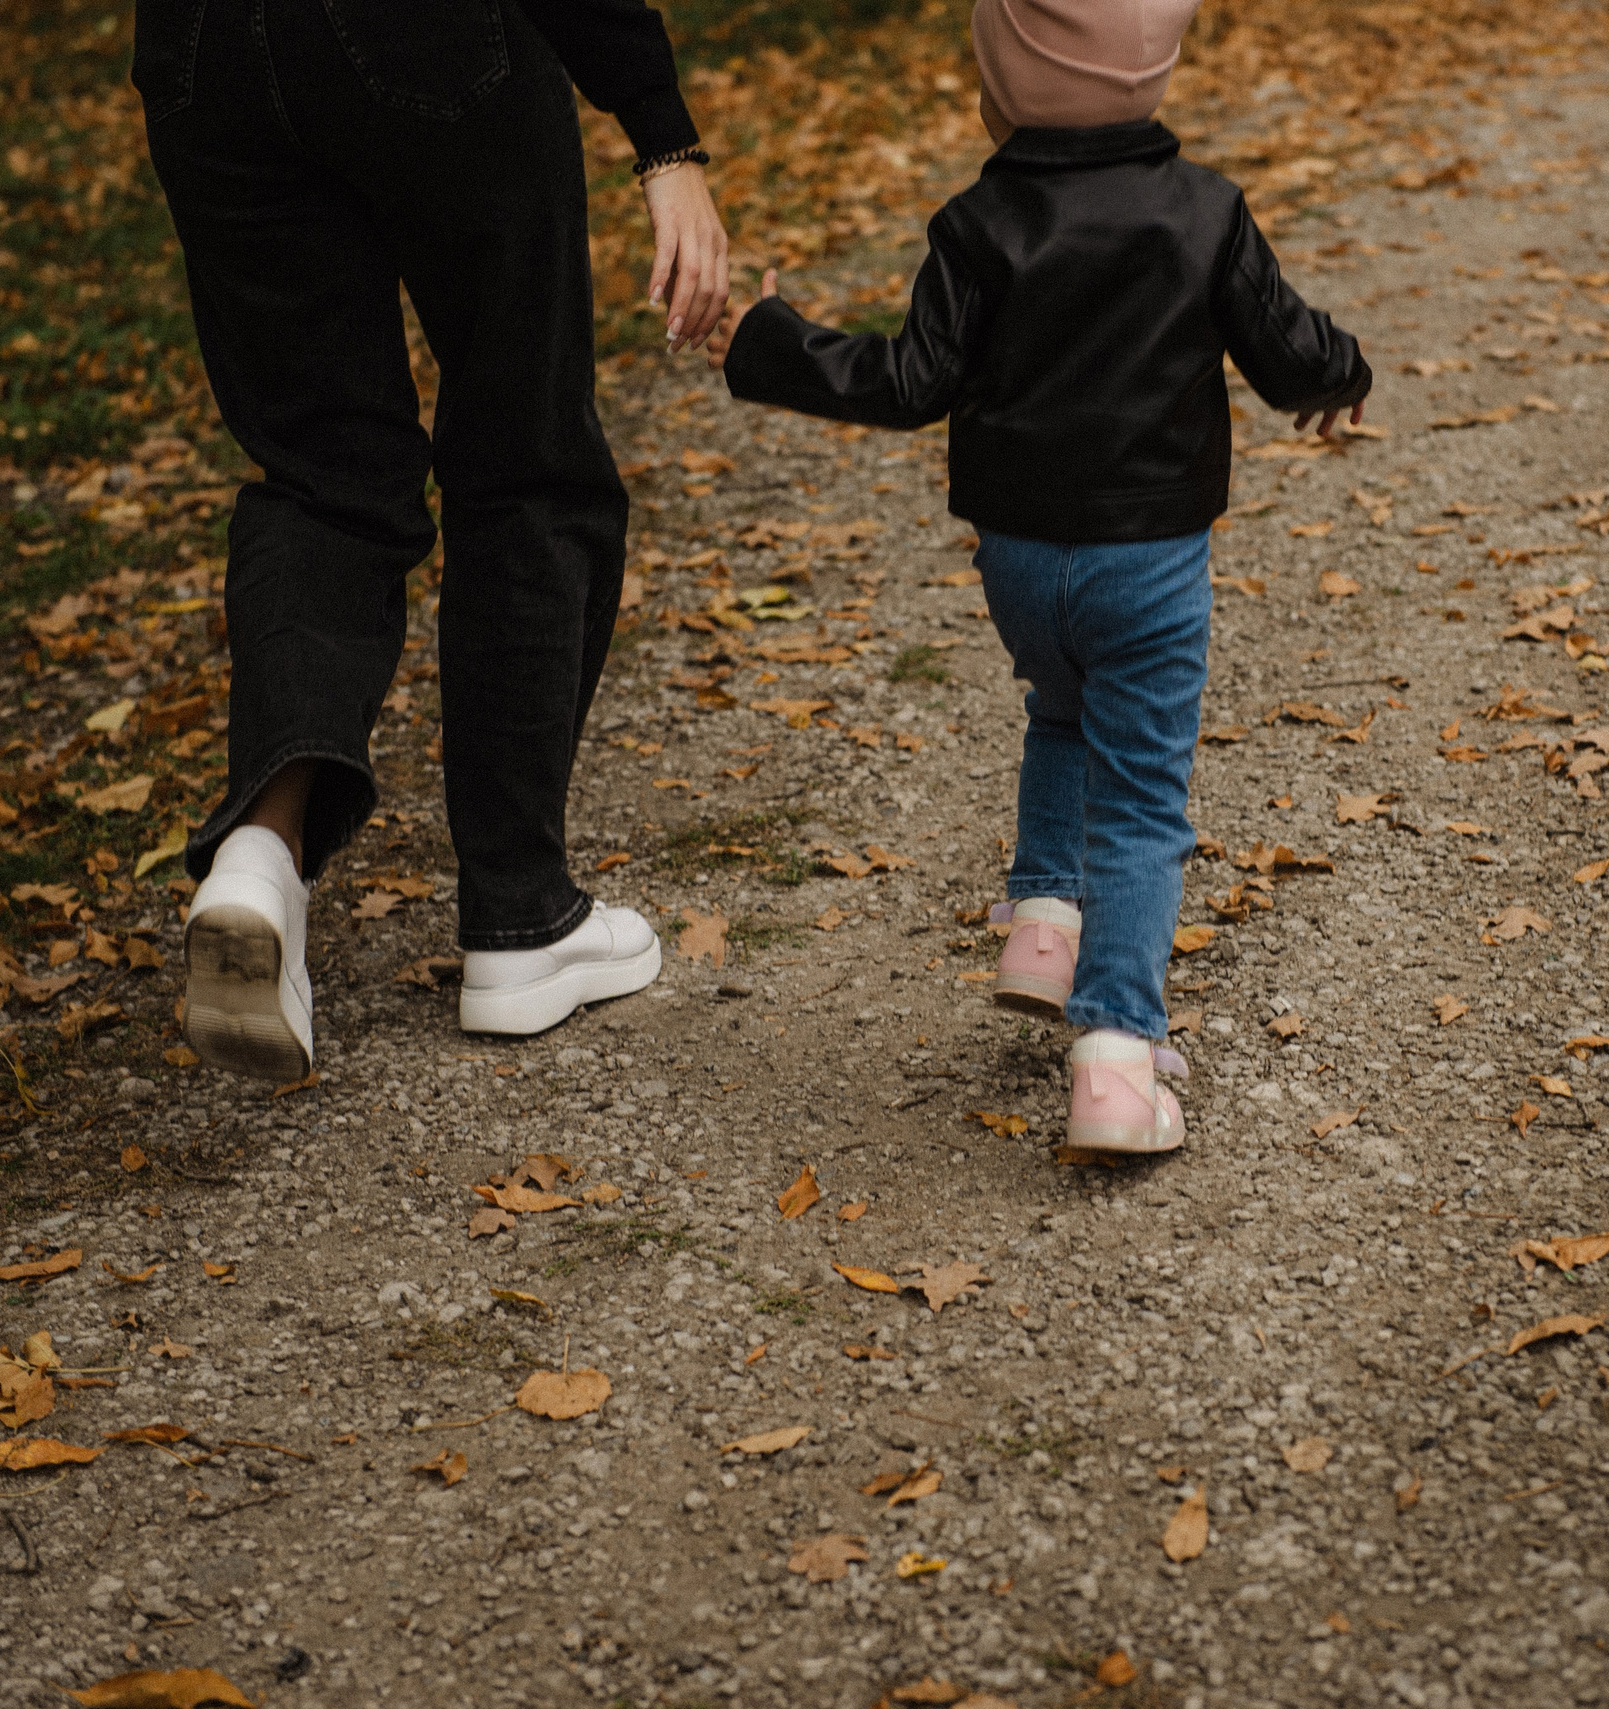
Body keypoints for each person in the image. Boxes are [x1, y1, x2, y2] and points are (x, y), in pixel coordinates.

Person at [705, 0, 1370, 1154]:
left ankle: (1042, 925)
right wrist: (1339, 369)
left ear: (1006, 81)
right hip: (1150, 560)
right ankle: (1116, 1054)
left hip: (1017, 563)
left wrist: (769, 339)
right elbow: (1282, 346)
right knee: (1144, 795)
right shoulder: (1203, 212)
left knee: (1059, 709)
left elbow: (909, 380)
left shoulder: (979, 221)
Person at [133, 0, 731, 1080]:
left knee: (321, 469)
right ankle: (520, 919)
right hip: (432, 38)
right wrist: (662, 134)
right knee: (522, 456)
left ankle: (259, 853)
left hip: (203, 49)